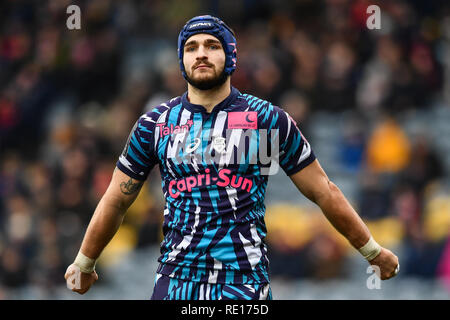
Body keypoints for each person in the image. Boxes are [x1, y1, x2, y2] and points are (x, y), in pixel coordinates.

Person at [64, 15, 399, 300]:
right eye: (191, 47)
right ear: (181, 60)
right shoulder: (155, 125)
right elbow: (116, 199)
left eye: (212, 45)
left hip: (244, 285)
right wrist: (84, 262)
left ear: (231, 55)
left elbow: (323, 191)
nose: (201, 54)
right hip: (177, 282)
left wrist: (372, 252)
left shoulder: (267, 120)